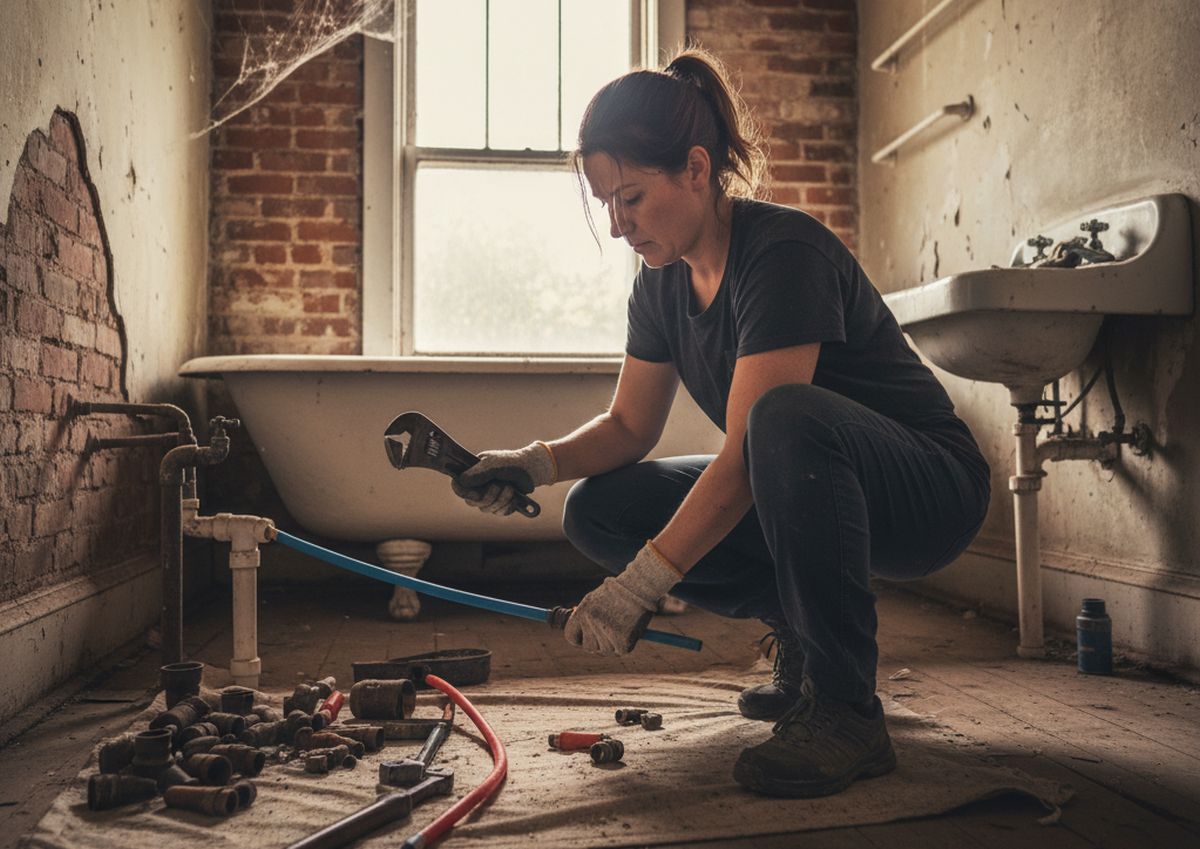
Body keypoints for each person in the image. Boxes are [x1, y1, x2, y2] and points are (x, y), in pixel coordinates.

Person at [450, 48, 991, 799]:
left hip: (928, 492)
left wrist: (637, 587)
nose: (617, 226)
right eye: (607, 203)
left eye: (631, 197)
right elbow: (629, 426)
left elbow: (741, 458)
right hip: (804, 481)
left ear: (697, 170)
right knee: (598, 507)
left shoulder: (784, 251)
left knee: (782, 417)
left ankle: (846, 709)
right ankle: (803, 634)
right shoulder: (661, 282)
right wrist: (533, 462)